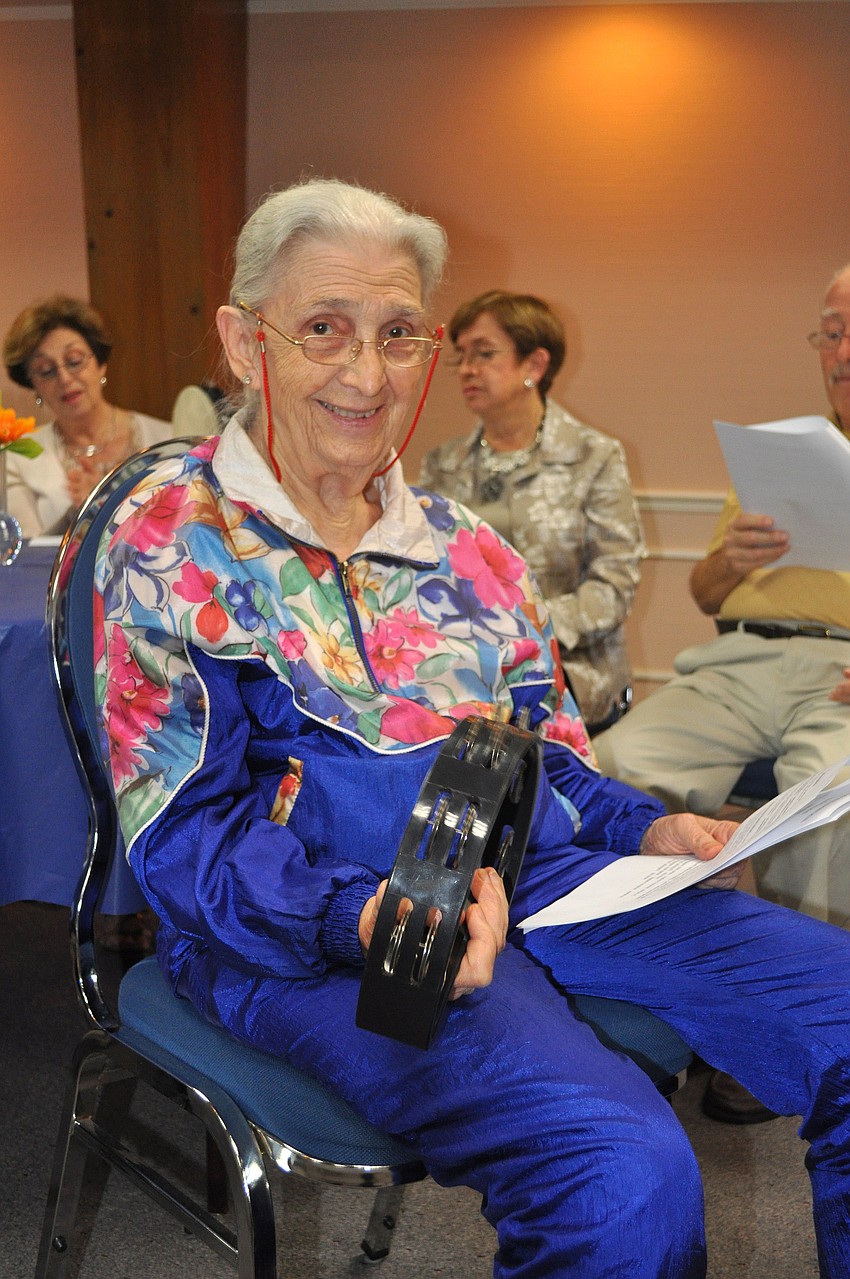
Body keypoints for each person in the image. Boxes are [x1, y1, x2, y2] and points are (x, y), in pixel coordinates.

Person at [94, 180, 850, 1278]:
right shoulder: (171, 544)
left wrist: (646, 832)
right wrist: (369, 919)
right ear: (239, 338)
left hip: (530, 879)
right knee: (620, 1173)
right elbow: (183, 841)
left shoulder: (469, 552)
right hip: (306, 926)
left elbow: (545, 755)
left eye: (398, 333)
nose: (366, 372)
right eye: (323, 329)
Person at [594, 264, 850, 1124]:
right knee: (619, 764)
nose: (840, 351)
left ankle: (795, 1025)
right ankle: (669, 985)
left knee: (833, 805)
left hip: (844, 678)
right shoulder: (787, 452)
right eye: (830, 332)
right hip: (738, 661)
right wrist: (731, 560)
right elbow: (705, 593)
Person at [419, 291, 643, 733]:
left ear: (534, 366)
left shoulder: (593, 456)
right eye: (461, 356)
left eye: (484, 354)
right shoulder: (441, 464)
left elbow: (614, 584)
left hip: (571, 677)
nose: (466, 369)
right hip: (462, 674)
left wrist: (523, 630)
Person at [2, 294, 172, 537]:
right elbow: (25, 558)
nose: (65, 378)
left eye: (74, 361)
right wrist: (82, 514)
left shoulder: (166, 439)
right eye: (46, 370)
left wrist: (110, 506)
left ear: (100, 363)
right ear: (33, 385)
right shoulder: (17, 459)